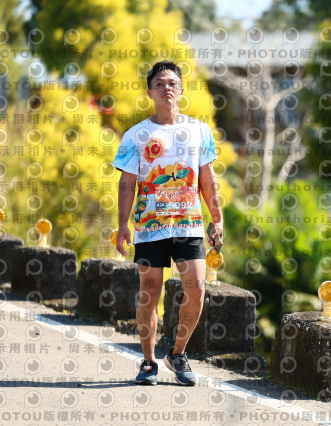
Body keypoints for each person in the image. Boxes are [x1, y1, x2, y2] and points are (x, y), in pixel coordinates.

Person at [113, 60, 223, 386]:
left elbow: (207, 178)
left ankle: (177, 353)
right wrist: (122, 225)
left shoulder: (199, 131)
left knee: (197, 288)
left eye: (172, 83)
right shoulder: (136, 135)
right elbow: (126, 183)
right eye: (159, 84)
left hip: (188, 224)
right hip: (150, 226)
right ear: (150, 92)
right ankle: (148, 362)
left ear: (181, 90)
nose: (166, 89)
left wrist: (217, 218)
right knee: (149, 292)